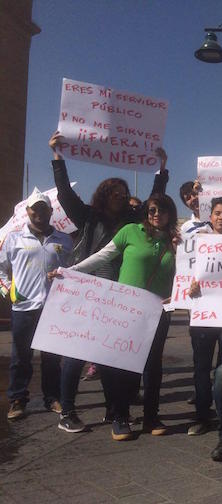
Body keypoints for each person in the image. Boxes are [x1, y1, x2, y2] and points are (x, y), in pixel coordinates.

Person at [49, 131, 169, 425]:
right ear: (104, 195)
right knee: (76, 352)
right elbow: (64, 193)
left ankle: (113, 408)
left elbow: (155, 200)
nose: (121, 198)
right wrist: (57, 156)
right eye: (115, 194)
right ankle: (67, 410)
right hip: (87, 288)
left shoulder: (132, 221)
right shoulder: (87, 216)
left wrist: (161, 167)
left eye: (124, 194)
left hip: (118, 294)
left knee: (108, 354)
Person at [53, 193, 178, 441]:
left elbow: (185, 274)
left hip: (158, 312)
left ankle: (152, 415)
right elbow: (102, 256)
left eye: (162, 211)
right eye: (152, 210)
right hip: (126, 310)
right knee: (123, 365)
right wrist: (69, 272)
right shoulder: (130, 231)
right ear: (146, 212)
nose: (156, 215)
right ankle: (119, 416)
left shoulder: (177, 241)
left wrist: (177, 295)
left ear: (170, 215)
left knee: (153, 366)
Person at [1, 190, 73, 423]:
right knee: (21, 356)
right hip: (23, 308)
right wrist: (8, 290)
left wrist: (65, 278)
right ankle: (18, 399)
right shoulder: (13, 239)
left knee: (52, 356)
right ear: (28, 211)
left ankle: (52, 397)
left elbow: (73, 269)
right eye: (35, 208)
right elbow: (1, 269)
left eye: (44, 208)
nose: (39, 212)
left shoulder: (64, 239)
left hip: (53, 307)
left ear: (50, 211)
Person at [186, 197, 222, 436]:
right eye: (218, 213)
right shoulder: (195, 242)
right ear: (210, 216)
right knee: (201, 367)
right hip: (203, 315)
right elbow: (183, 273)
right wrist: (191, 287)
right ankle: (201, 415)